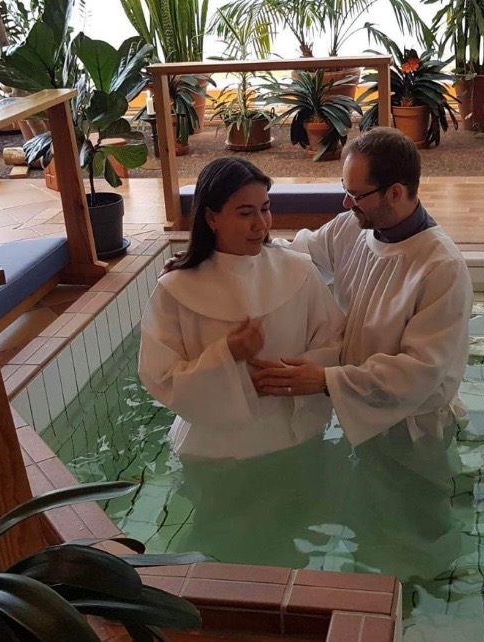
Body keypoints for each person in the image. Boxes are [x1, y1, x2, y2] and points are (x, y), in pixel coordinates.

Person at [250, 127, 474, 580]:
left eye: (357, 195)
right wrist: (213, 261)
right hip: (360, 413)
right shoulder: (352, 228)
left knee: (419, 540)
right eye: (345, 190)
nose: (346, 203)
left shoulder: (440, 267)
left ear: (396, 192)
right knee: (369, 527)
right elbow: (295, 258)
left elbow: (418, 372)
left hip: (415, 432)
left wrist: (325, 381)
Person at [138, 157, 344, 565]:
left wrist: (301, 373)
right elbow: (159, 376)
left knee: (289, 545)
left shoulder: (298, 271)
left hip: (294, 435)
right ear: (211, 217)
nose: (261, 224)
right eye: (245, 213)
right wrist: (226, 355)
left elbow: (334, 339)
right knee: (222, 552)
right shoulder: (176, 289)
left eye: (265, 208)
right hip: (216, 451)